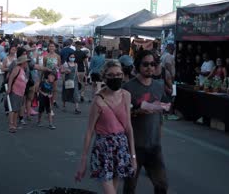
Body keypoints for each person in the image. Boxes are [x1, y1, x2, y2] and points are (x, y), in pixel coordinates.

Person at [75, 60, 136, 194]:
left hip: (121, 147)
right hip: (103, 149)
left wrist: (133, 157)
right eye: (111, 75)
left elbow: (128, 127)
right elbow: (89, 131)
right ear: (104, 77)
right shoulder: (98, 100)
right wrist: (83, 162)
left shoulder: (126, 95)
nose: (116, 78)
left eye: (119, 74)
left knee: (113, 189)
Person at [122, 50, 169, 194]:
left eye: (153, 64)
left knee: (161, 185)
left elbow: (161, 113)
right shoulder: (128, 88)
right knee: (130, 187)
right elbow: (120, 116)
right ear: (138, 65)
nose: (150, 67)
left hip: (154, 146)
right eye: (146, 64)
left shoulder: (159, 86)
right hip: (134, 146)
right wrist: (136, 112)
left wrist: (159, 136)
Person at [7, 55, 30, 133]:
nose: (27, 63)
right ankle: (11, 125)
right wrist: (9, 88)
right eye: (26, 61)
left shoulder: (22, 70)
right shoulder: (17, 68)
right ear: (23, 62)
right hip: (15, 91)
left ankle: (15, 124)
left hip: (20, 92)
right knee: (13, 109)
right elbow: (11, 78)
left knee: (16, 109)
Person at [44, 42, 61, 108]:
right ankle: (47, 102)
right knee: (47, 89)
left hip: (55, 73)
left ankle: (53, 101)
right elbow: (44, 66)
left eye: (53, 46)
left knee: (54, 89)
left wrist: (58, 68)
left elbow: (59, 66)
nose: (51, 48)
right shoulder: (45, 56)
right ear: (48, 47)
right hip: (47, 74)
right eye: (50, 46)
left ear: (55, 48)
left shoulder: (57, 56)